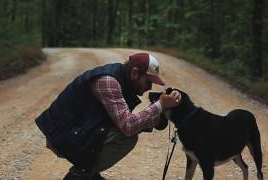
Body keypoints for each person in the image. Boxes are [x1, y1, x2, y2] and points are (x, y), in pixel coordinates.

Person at [35, 52, 182, 180]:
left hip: (76, 130)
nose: (150, 87)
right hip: (61, 136)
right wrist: (159, 106)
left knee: (123, 130)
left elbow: (122, 120)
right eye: (148, 81)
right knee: (126, 138)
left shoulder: (122, 79)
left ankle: (89, 173)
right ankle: (80, 174)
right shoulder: (109, 82)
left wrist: (159, 115)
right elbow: (128, 126)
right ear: (135, 73)